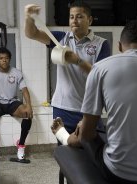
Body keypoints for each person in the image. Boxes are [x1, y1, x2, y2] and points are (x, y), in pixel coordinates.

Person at [51, 21, 137, 183]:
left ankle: (64, 136)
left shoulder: (100, 69)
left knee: (86, 128)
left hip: (122, 174)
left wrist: (67, 136)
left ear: (119, 46)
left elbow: (87, 135)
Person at [25, 2, 110, 181]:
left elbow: (100, 76)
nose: (74, 21)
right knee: (67, 155)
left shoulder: (102, 44)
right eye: (71, 17)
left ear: (90, 20)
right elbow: (31, 33)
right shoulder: (61, 39)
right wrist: (29, 17)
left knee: (93, 155)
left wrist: (77, 60)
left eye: (79, 16)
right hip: (63, 106)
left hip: (89, 110)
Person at [0, 47, 33, 163]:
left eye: (7, 58)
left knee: (27, 114)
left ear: (9, 60)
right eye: (1, 58)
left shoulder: (17, 73)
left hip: (12, 102)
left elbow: (24, 90)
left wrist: (29, 105)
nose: (4, 60)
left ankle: (20, 146)